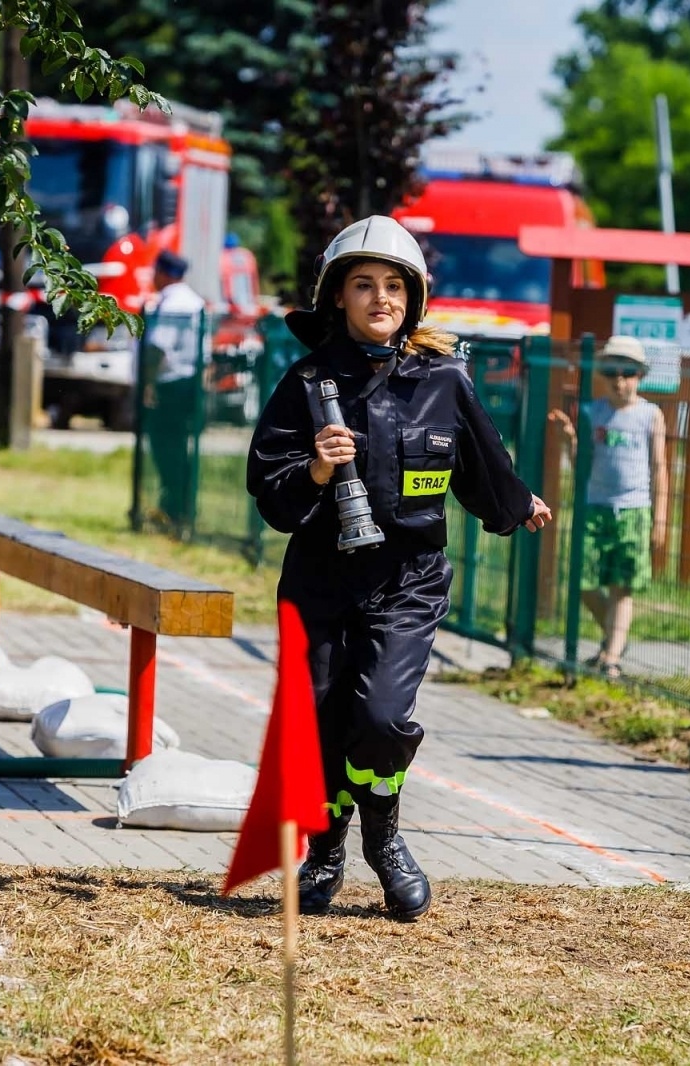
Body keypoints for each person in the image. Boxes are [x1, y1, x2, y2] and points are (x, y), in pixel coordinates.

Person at [247, 215, 551, 922]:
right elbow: (271, 492)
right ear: (338, 298)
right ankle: (325, 853)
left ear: (413, 298)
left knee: (381, 719)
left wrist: (516, 503)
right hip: (321, 579)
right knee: (322, 721)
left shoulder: (442, 377)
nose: (380, 298)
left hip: (407, 581)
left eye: (393, 285)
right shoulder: (306, 381)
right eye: (363, 285)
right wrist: (318, 468)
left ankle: (384, 843)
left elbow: (482, 466)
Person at [547, 335, 667, 679]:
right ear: (603, 374)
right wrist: (569, 439)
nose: (620, 380)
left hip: (634, 509)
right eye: (613, 371)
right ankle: (614, 636)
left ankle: (611, 656)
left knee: (622, 584)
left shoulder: (650, 415)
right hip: (594, 507)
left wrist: (660, 518)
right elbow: (580, 461)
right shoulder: (592, 411)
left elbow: (660, 468)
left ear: (639, 376)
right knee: (583, 580)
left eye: (627, 372)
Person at [142, 249, 207, 529]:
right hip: (190, 383)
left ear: (163, 273)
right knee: (180, 449)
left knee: (166, 449)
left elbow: (158, 347)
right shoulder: (194, 301)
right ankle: (180, 508)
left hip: (171, 386)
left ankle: (175, 509)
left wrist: (148, 383)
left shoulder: (172, 304)